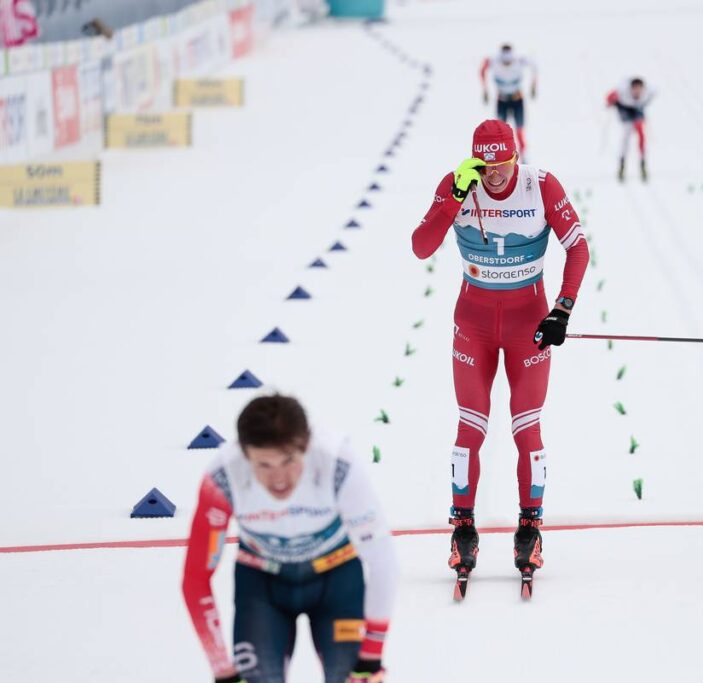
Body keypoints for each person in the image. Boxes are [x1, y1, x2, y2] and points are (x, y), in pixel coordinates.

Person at [411, 119, 588, 585]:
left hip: (528, 324)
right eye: (485, 165)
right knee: (470, 427)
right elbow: (420, 246)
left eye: (502, 164)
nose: (493, 175)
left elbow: (579, 248)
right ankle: (462, 529)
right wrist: (451, 198)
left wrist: (562, 310)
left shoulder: (541, 185)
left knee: (526, 428)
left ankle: (530, 527)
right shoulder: (458, 185)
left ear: (515, 156)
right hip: (473, 324)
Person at [182, 394, 398, 683]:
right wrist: (223, 670)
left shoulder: (337, 463)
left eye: (288, 460)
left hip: (336, 583)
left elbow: (383, 560)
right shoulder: (222, 476)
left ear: (306, 447)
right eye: (264, 465)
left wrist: (371, 657)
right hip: (262, 587)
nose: (279, 478)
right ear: (244, 455)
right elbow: (196, 578)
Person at [480, 44, 537, 159]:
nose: (507, 64)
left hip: (517, 100)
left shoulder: (519, 60)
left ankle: (523, 155)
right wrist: (485, 89)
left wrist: (533, 86)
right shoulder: (494, 60)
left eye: (509, 62)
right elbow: (482, 70)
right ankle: (502, 156)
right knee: (500, 131)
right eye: (504, 62)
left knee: (519, 129)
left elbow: (535, 66)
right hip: (502, 101)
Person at [605, 77, 655, 182]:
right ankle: (622, 165)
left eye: (639, 89)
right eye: (635, 89)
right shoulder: (623, 93)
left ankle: (642, 163)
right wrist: (611, 102)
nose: (637, 92)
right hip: (626, 115)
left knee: (641, 135)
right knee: (625, 140)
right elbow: (610, 97)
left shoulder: (647, 93)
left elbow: (655, 91)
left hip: (637, 113)